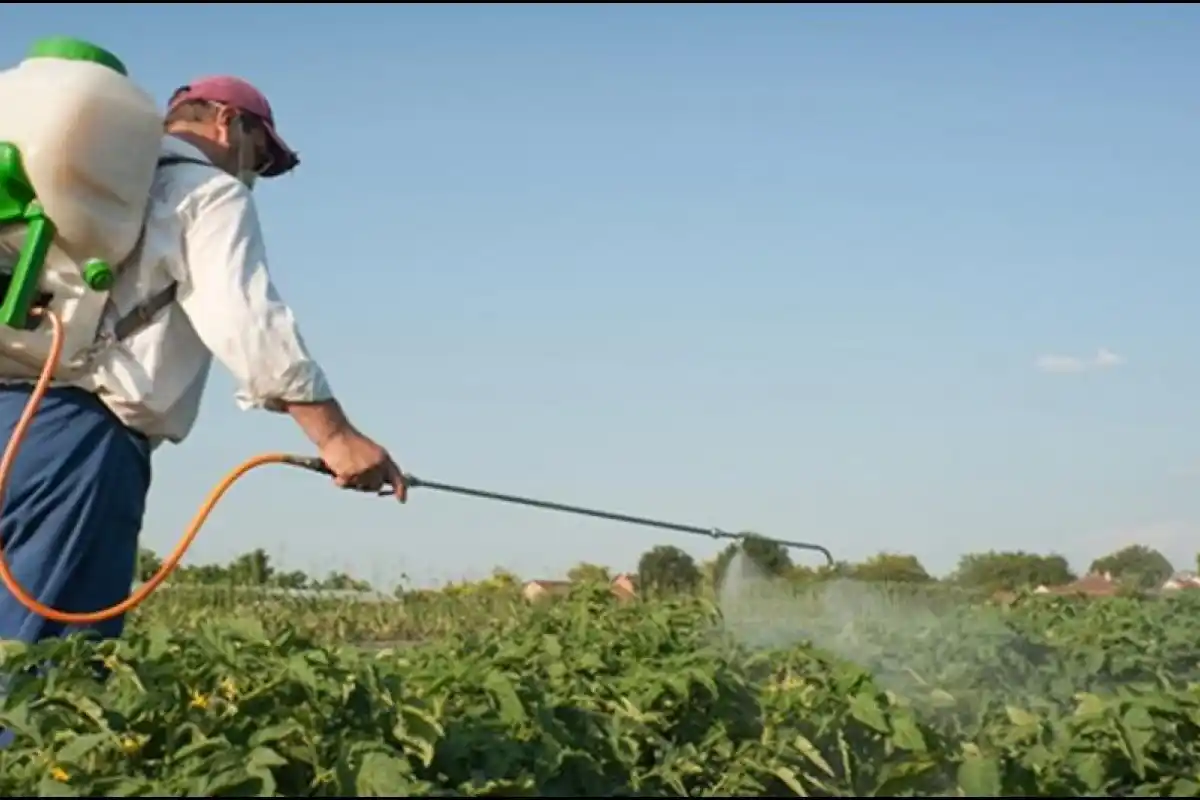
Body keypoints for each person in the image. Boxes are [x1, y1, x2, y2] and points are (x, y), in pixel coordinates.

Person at [0, 75, 406, 646]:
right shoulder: (207, 192)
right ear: (226, 122)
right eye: (258, 155)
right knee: (48, 673)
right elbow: (247, 318)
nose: (252, 173)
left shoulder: (82, 185)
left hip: (11, 414)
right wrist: (336, 436)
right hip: (76, 440)